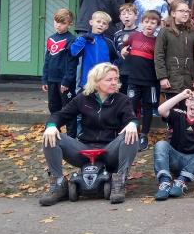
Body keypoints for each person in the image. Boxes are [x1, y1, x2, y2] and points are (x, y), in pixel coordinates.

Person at [39, 63, 137, 206]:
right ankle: (58, 184)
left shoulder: (122, 100)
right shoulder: (83, 98)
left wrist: (133, 124)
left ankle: (119, 181)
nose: (114, 83)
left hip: (110, 151)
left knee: (131, 133)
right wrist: (51, 126)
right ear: (96, 82)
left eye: (116, 79)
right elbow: (60, 115)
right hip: (84, 150)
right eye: (109, 79)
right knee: (51, 135)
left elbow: (131, 119)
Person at [120, 10, 161, 150]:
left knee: (148, 108)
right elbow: (124, 46)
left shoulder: (157, 41)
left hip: (150, 82)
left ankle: (144, 135)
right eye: (146, 22)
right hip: (133, 80)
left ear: (157, 25)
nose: (149, 25)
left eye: (153, 23)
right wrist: (123, 50)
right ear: (142, 23)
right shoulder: (133, 36)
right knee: (131, 106)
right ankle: (132, 133)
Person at [41, 8, 78, 138]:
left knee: (68, 109)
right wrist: (44, 79)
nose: (58, 25)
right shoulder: (51, 39)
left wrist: (67, 81)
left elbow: (72, 63)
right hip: (52, 80)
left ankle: (71, 137)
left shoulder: (72, 40)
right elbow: (47, 60)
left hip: (65, 82)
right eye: (56, 22)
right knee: (53, 107)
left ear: (69, 24)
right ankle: (55, 134)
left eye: (62, 23)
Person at [154, 0, 194, 99]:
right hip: (170, 81)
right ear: (173, 13)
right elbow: (159, 56)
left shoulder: (192, 32)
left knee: (187, 108)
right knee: (171, 108)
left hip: (188, 81)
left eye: (187, 11)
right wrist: (162, 77)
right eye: (181, 11)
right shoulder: (165, 32)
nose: (185, 14)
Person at [70, 11, 118, 90]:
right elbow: (74, 52)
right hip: (87, 81)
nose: (101, 24)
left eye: (104, 23)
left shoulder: (109, 42)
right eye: (98, 21)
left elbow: (115, 60)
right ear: (91, 22)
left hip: (104, 82)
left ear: (107, 27)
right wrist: (83, 38)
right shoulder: (83, 39)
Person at [113, 3, 138, 95]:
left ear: (136, 16)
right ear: (120, 17)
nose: (126, 16)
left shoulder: (140, 33)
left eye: (130, 14)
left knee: (132, 99)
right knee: (120, 98)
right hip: (120, 73)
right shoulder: (117, 34)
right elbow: (114, 54)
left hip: (135, 73)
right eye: (123, 14)